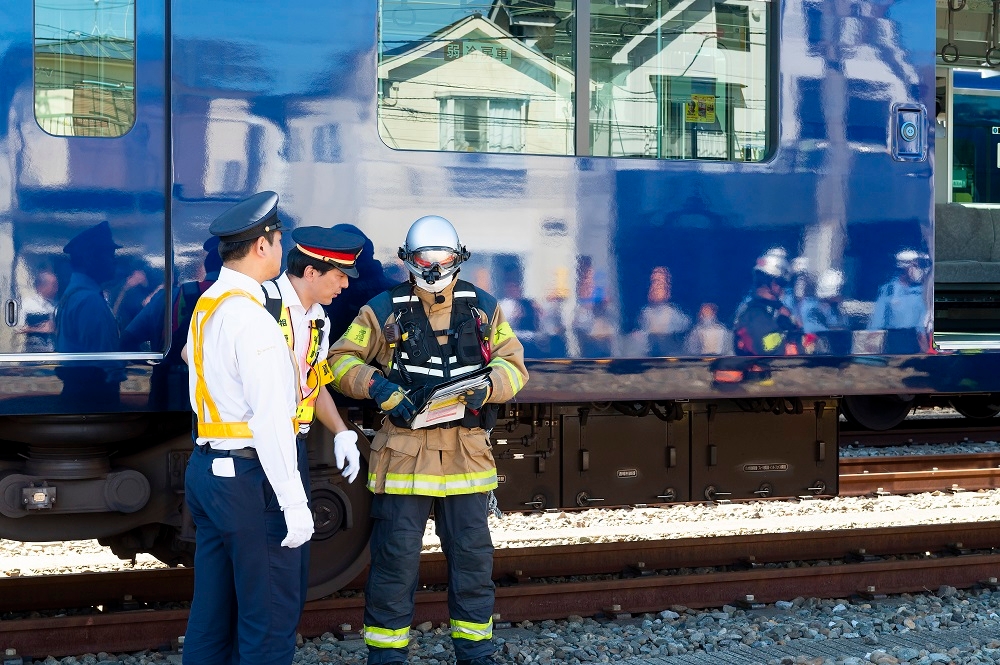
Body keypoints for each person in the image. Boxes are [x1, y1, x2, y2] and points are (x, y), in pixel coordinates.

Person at [327, 215, 528, 665]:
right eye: (426, 258)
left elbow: (515, 365)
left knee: (473, 563)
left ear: (459, 258)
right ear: (409, 260)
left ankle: (476, 654)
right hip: (404, 456)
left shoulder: (484, 308)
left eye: (445, 258)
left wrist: (488, 387)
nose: (436, 267)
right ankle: (386, 657)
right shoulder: (382, 309)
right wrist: (379, 388)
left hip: (466, 456)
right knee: (394, 565)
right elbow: (339, 362)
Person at [181, 191, 312, 665]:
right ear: (263, 245)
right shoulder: (254, 321)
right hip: (247, 482)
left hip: (208, 472)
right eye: (280, 241)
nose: (282, 251)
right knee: (269, 623)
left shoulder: (208, 305)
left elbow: (191, 366)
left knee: (211, 619)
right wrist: (294, 504)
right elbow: (271, 420)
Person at [260, 225, 364, 604]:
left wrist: (341, 432)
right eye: (339, 276)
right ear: (310, 272)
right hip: (261, 451)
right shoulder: (261, 304)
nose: (345, 285)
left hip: (294, 448)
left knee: (292, 566)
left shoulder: (319, 319)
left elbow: (312, 384)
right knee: (270, 562)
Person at [54, 221, 124, 406]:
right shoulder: (89, 300)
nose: (114, 260)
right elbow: (103, 360)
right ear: (90, 258)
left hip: (80, 391)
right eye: (109, 254)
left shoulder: (75, 295)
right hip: (92, 394)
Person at [733, 251, 806, 356]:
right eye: (782, 282)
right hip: (765, 369)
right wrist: (788, 335)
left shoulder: (776, 310)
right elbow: (765, 346)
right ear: (772, 282)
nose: (782, 288)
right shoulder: (754, 313)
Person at [867, 250, 931, 354]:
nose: (918, 270)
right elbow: (877, 322)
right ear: (904, 267)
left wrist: (925, 350)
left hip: (914, 341)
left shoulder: (921, 291)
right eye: (914, 266)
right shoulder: (889, 290)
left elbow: (921, 326)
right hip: (894, 340)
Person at [19, 270, 58, 352]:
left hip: (52, 354)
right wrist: (40, 329)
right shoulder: (27, 304)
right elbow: (17, 328)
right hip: (32, 355)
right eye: (53, 285)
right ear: (41, 286)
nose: (56, 289)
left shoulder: (57, 306)